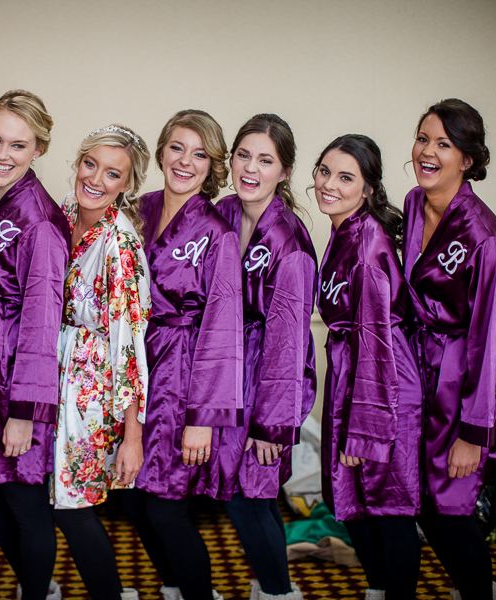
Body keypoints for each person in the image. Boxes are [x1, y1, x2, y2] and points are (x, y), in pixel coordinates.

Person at [122, 109, 244, 600]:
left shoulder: (218, 232)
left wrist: (203, 419)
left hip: (181, 372)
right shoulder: (139, 208)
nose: (185, 161)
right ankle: (173, 586)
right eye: (177, 147)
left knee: (165, 506)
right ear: (161, 149)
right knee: (131, 500)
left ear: (213, 164)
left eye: (200, 153)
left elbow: (222, 328)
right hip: (133, 365)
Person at [404, 99, 496, 600]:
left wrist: (474, 432)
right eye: (423, 139)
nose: (428, 152)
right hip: (422, 372)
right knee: (423, 503)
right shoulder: (412, 203)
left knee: (448, 509)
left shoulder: (484, 236)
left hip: (470, 381)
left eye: (443, 145)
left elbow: (488, 341)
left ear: (468, 160)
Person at [0, 90, 71, 600]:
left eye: (18, 145)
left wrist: (25, 410)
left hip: (14, 374)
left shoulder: (42, 221)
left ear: (39, 149)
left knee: (24, 501)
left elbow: (42, 321)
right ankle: (38, 584)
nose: (2, 154)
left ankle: (36, 593)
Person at [313, 134, 424, 600]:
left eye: (345, 177)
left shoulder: (368, 244)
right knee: (354, 505)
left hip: (384, 389)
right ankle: (378, 590)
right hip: (352, 380)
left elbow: (377, 341)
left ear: (368, 189)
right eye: (324, 171)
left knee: (391, 509)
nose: (329, 185)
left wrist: (365, 430)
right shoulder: (343, 232)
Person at [215, 114, 316, 600]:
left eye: (265, 160)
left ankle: (278, 593)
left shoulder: (289, 242)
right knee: (241, 499)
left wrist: (272, 425)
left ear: (285, 171)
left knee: (249, 500)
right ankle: (270, 587)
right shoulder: (224, 213)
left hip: (267, 384)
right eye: (243, 155)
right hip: (227, 376)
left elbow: (289, 343)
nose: (250, 169)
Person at [51, 124, 152, 600]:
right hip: (53, 367)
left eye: (112, 173)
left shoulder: (121, 244)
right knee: (53, 499)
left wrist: (132, 437)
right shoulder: (66, 212)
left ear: (127, 185)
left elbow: (130, 346)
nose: (96, 179)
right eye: (90, 164)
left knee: (72, 505)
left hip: (92, 386)